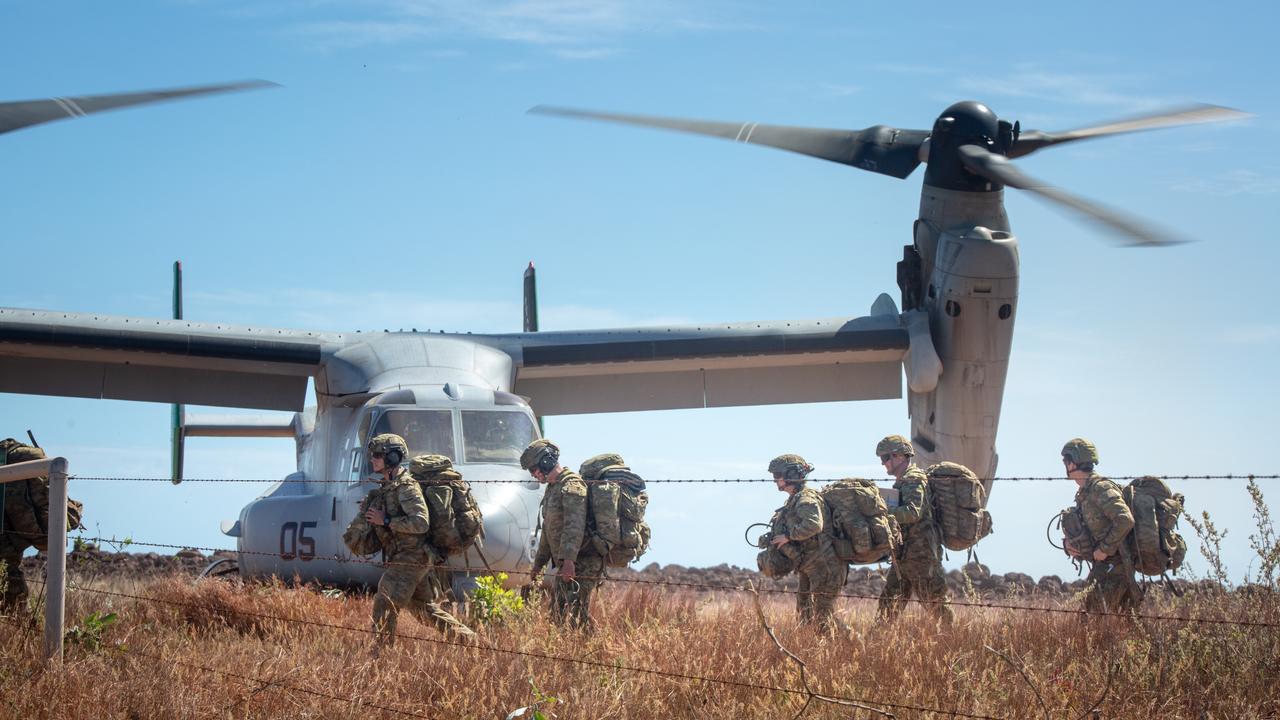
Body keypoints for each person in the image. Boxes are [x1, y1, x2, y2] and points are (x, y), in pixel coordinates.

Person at [356, 433, 476, 648]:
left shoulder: (407, 487)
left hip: (412, 557)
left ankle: (378, 657)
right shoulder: (390, 485)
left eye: (377, 455)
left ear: (392, 458)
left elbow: (421, 523)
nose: (372, 459)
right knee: (422, 608)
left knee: (385, 601)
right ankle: (470, 642)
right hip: (407, 556)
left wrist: (385, 520)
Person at [522, 439, 600, 631]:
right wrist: (539, 564)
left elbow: (574, 526)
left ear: (546, 462)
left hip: (582, 561)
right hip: (569, 563)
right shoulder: (553, 488)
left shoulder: (572, 485)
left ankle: (594, 653)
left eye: (534, 469)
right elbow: (549, 530)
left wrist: (568, 561)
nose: (533, 474)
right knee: (559, 614)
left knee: (575, 616)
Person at [876, 435, 954, 625]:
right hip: (904, 553)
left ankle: (951, 638)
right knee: (889, 602)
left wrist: (883, 512)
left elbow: (913, 512)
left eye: (886, 458)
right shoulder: (903, 481)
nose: (883, 463)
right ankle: (877, 641)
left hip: (920, 554)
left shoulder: (913, 479)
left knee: (933, 601)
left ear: (900, 456)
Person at [766, 453, 848, 632]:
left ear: (792, 475)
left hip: (824, 566)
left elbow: (813, 524)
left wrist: (788, 536)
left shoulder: (806, 498)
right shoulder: (795, 499)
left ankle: (855, 645)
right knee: (805, 615)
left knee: (823, 617)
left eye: (777, 475)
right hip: (810, 567)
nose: (774, 480)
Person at [1061, 438, 1142, 614]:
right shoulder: (1085, 493)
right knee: (1112, 625)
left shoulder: (1100, 488)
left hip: (1116, 568)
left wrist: (1105, 549)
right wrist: (1071, 546)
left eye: (1066, 461)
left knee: (1093, 623)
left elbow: (1125, 519)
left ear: (1073, 462)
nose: (1065, 466)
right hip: (1105, 567)